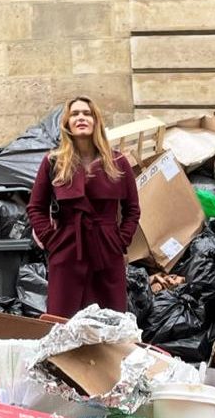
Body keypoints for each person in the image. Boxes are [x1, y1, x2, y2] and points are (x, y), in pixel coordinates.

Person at [27, 96, 141, 319]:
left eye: (87, 113)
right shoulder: (53, 162)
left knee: (110, 324)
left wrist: (120, 240)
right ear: (67, 123)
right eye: (75, 114)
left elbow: (133, 209)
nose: (81, 118)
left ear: (96, 121)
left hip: (107, 252)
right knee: (62, 322)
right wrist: (52, 241)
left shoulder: (118, 163)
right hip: (68, 251)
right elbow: (35, 207)